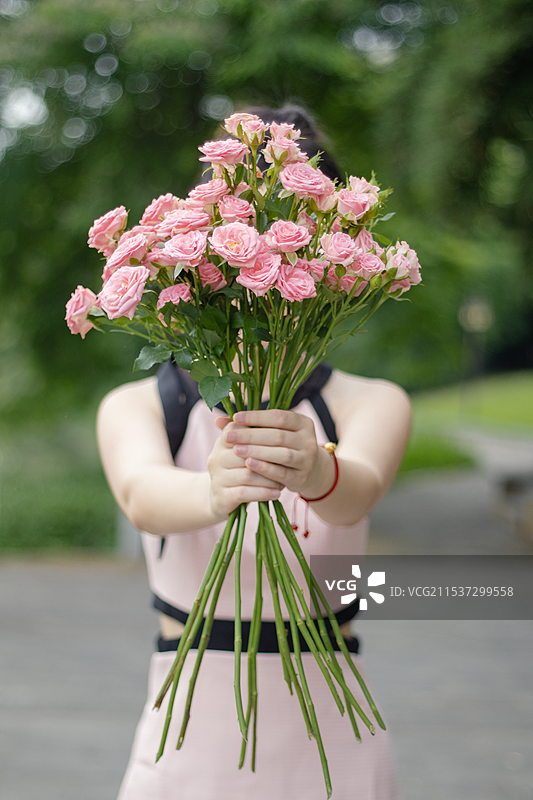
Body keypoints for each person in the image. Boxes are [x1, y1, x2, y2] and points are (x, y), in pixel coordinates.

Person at [97, 106, 411, 800]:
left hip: (333, 742)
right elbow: (142, 495)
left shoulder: (370, 400)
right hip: (184, 749)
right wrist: (213, 492)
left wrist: (316, 467)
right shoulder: (142, 405)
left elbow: (358, 489)